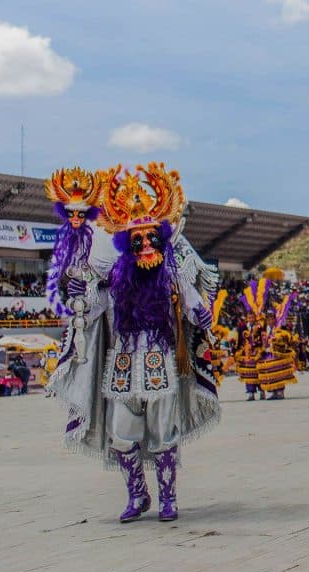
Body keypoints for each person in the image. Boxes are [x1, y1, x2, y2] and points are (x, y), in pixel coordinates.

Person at [49, 163, 220, 523]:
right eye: (138, 240)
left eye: (151, 238)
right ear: (127, 244)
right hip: (122, 367)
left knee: (162, 433)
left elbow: (192, 303)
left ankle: (169, 498)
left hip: (161, 364)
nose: (145, 245)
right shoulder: (114, 278)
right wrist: (81, 292)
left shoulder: (171, 272)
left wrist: (201, 316)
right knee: (122, 435)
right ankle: (138, 494)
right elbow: (93, 310)